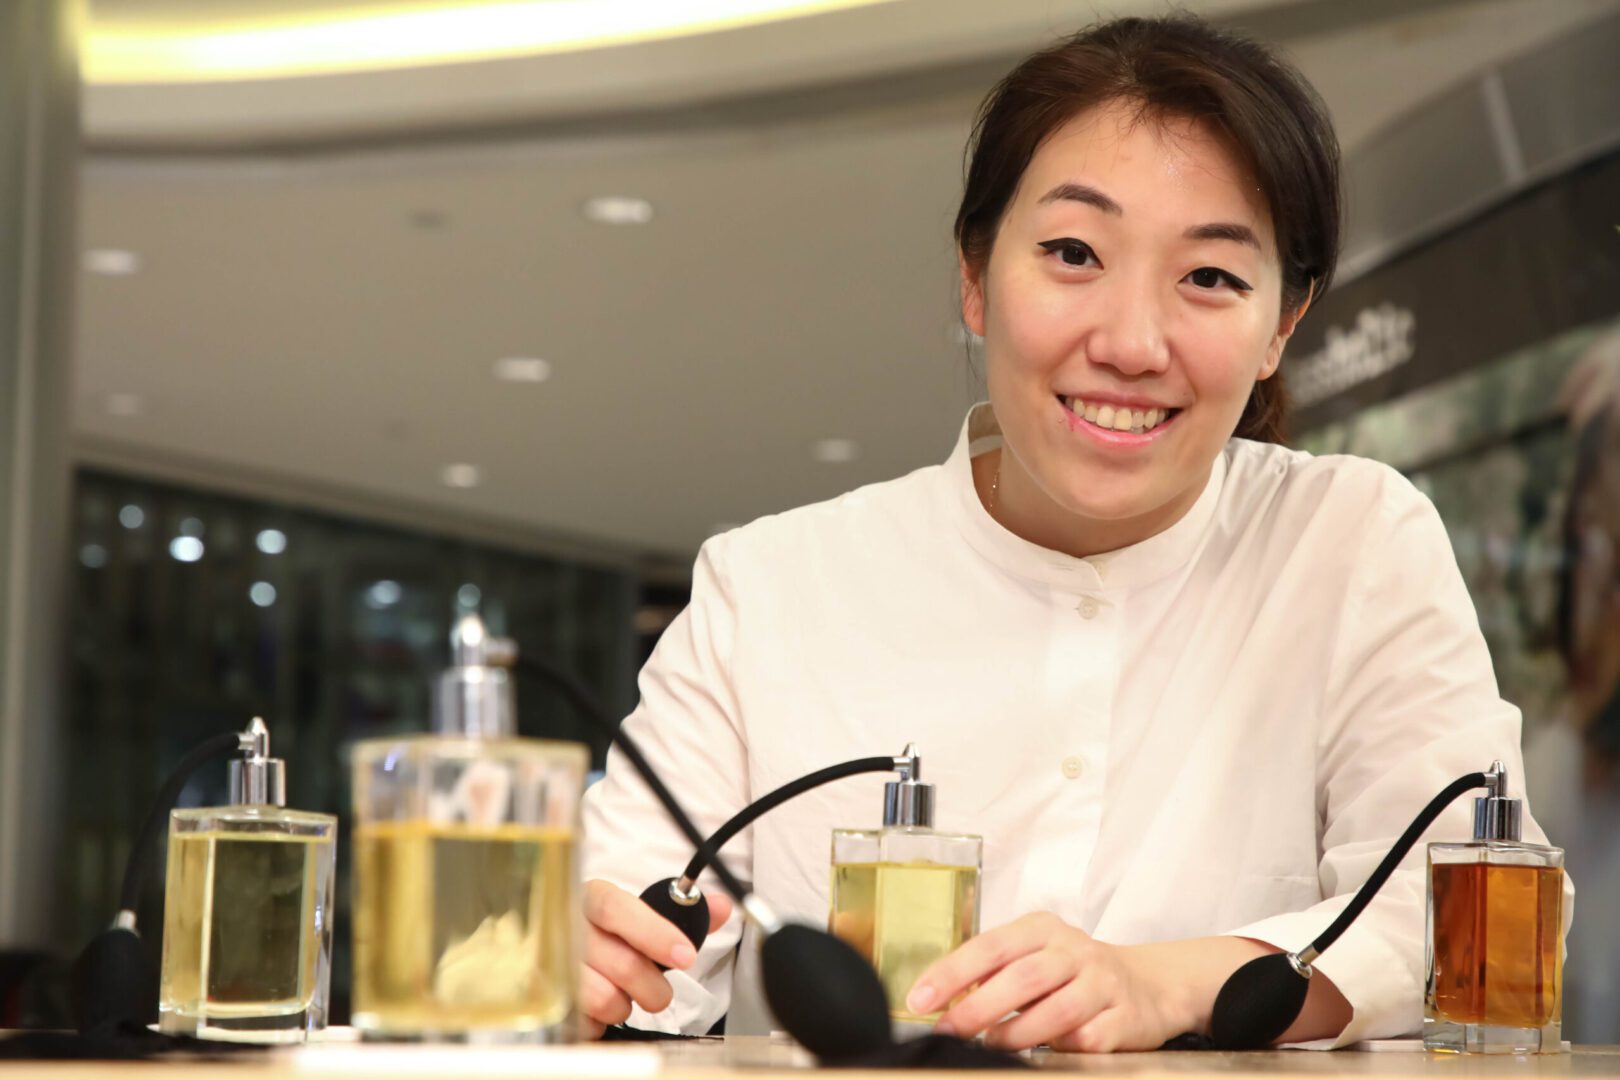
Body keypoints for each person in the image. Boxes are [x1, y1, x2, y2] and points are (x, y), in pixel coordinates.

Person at [579, 13, 1570, 1052]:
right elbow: (626, 926)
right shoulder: (767, 588)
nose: (1133, 343)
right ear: (974, 278)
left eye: (1211, 277)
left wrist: (1163, 984)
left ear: (1283, 323)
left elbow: (1457, 923)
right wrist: (587, 964)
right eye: (1072, 253)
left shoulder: (1352, 538)